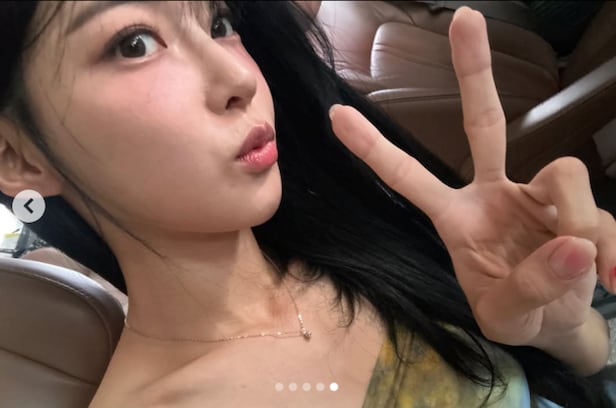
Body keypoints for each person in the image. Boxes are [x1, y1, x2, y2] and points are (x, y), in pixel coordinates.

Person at [0, 1, 613, 407]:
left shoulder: (353, 224)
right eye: (134, 43)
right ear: (16, 159)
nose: (239, 78)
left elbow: (585, 364)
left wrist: (562, 329)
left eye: (218, 22)